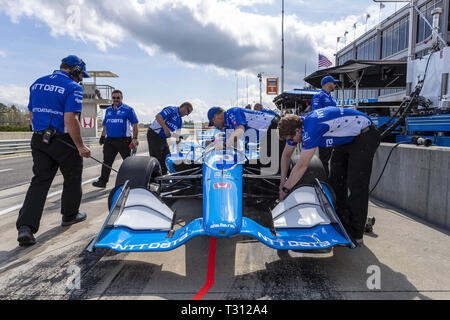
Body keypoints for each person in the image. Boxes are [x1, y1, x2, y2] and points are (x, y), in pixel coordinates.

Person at [16, 55, 92, 247]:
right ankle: (70, 215)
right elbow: (70, 120)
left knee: (40, 181)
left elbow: (32, 114)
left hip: (39, 138)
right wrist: (80, 146)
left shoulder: (36, 84)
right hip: (63, 139)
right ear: (74, 70)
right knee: (73, 177)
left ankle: (25, 227)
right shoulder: (73, 87)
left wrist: (41, 134)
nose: (81, 78)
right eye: (81, 74)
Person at [277, 107, 380, 245]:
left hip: (364, 135)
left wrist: (285, 190)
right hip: (346, 139)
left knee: (356, 184)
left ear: (297, 131)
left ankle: (356, 234)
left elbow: (302, 165)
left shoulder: (311, 127)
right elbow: (286, 155)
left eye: (292, 139)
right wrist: (282, 182)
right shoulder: (298, 127)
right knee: (335, 181)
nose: (294, 142)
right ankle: (342, 223)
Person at [207, 107, 283, 172]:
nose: (215, 126)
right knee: (260, 164)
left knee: (273, 167)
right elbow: (226, 143)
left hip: (275, 127)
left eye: (213, 123)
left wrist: (225, 145)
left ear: (216, 117)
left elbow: (240, 131)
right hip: (267, 134)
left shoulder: (232, 112)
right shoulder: (227, 125)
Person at [92, 90, 139, 188]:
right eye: (114, 98)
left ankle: (131, 182)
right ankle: (103, 181)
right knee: (107, 161)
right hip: (110, 141)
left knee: (128, 163)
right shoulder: (108, 110)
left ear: (121, 98)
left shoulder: (128, 109)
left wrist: (135, 138)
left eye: (118, 98)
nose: (116, 99)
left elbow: (135, 123)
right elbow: (105, 124)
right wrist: (102, 136)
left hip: (124, 140)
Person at [147, 102, 193, 174]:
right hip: (154, 134)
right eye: (187, 110)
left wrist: (179, 149)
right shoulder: (171, 109)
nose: (186, 114)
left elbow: (178, 136)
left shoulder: (179, 121)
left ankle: (164, 176)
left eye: (188, 113)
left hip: (163, 138)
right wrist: (165, 128)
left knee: (167, 158)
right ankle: (154, 178)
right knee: (156, 158)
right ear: (183, 106)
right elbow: (158, 116)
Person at [311, 76, 340, 177]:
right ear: (328, 84)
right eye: (333, 83)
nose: (335, 85)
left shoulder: (330, 97)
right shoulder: (318, 96)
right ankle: (324, 180)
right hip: (324, 132)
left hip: (332, 132)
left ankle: (328, 179)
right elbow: (317, 114)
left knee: (330, 157)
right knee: (324, 158)